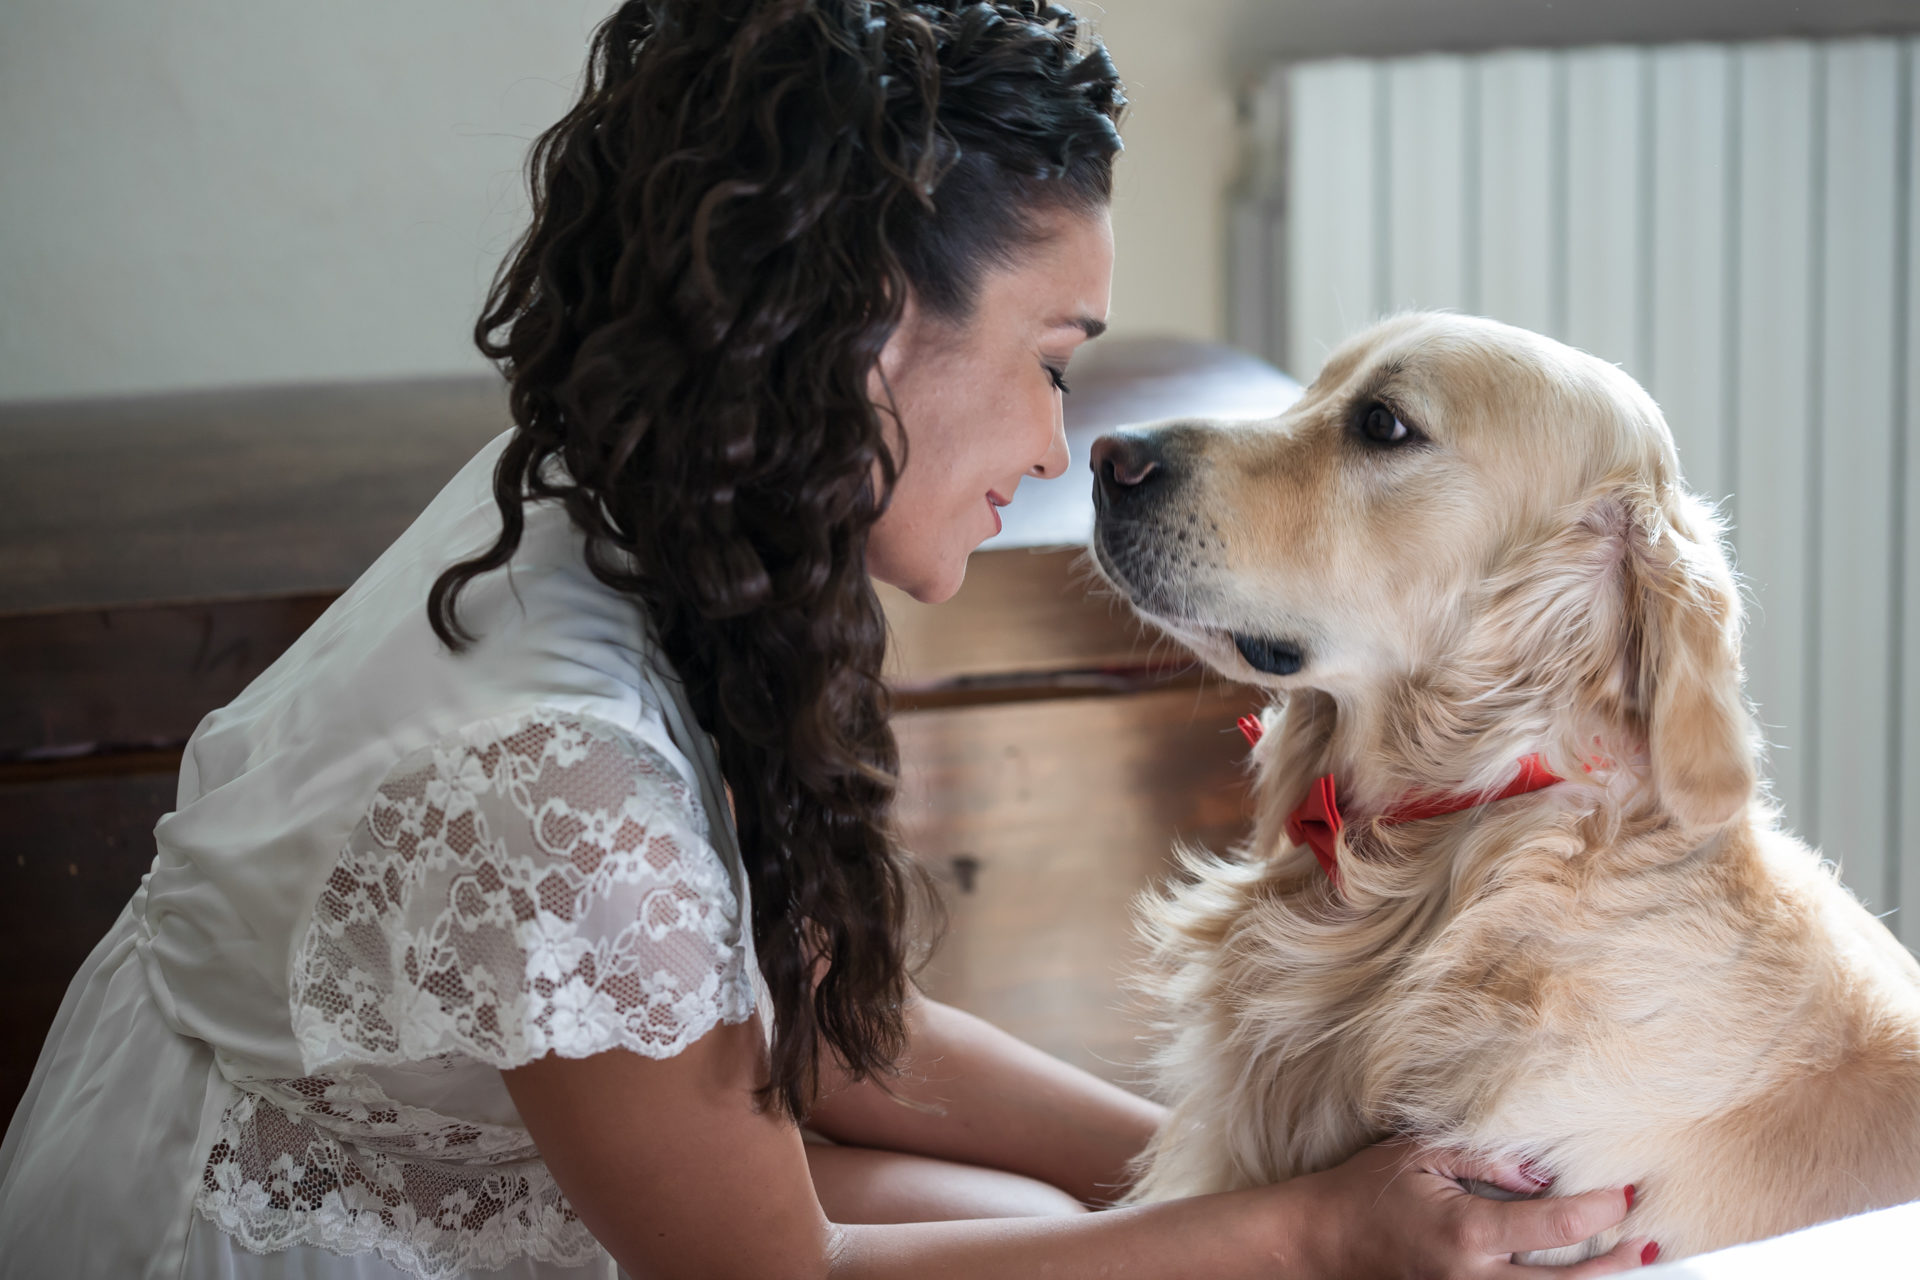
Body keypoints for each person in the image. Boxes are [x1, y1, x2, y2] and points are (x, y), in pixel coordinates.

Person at [0, 3, 1655, 1276]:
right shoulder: (556, 780)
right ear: (863, 328)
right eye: (1049, 354)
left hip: (509, 1140)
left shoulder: (659, 511)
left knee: (1032, 1207)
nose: (1052, 437)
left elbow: (800, 1015)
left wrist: (1221, 1174)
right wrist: (1312, 1234)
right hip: (283, 1231)